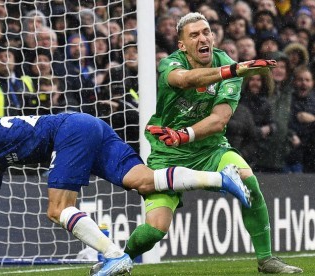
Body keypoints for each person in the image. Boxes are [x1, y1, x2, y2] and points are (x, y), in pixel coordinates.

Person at [0, 110, 251, 276]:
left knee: (56, 209)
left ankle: (113, 255)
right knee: (144, 181)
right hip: (88, 125)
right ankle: (221, 179)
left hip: (69, 134)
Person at [97, 12, 301, 274]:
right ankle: (121, 258)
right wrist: (233, 70)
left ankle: (266, 259)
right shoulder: (170, 64)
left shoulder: (227, 65)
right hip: (167, 153)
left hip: (210, 148)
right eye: (194, 34)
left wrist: (185, 134)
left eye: (206, 32)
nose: (203, 38)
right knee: (154, 231)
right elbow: (185, 80)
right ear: (182, 45)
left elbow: (219, 120)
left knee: (249, 181)